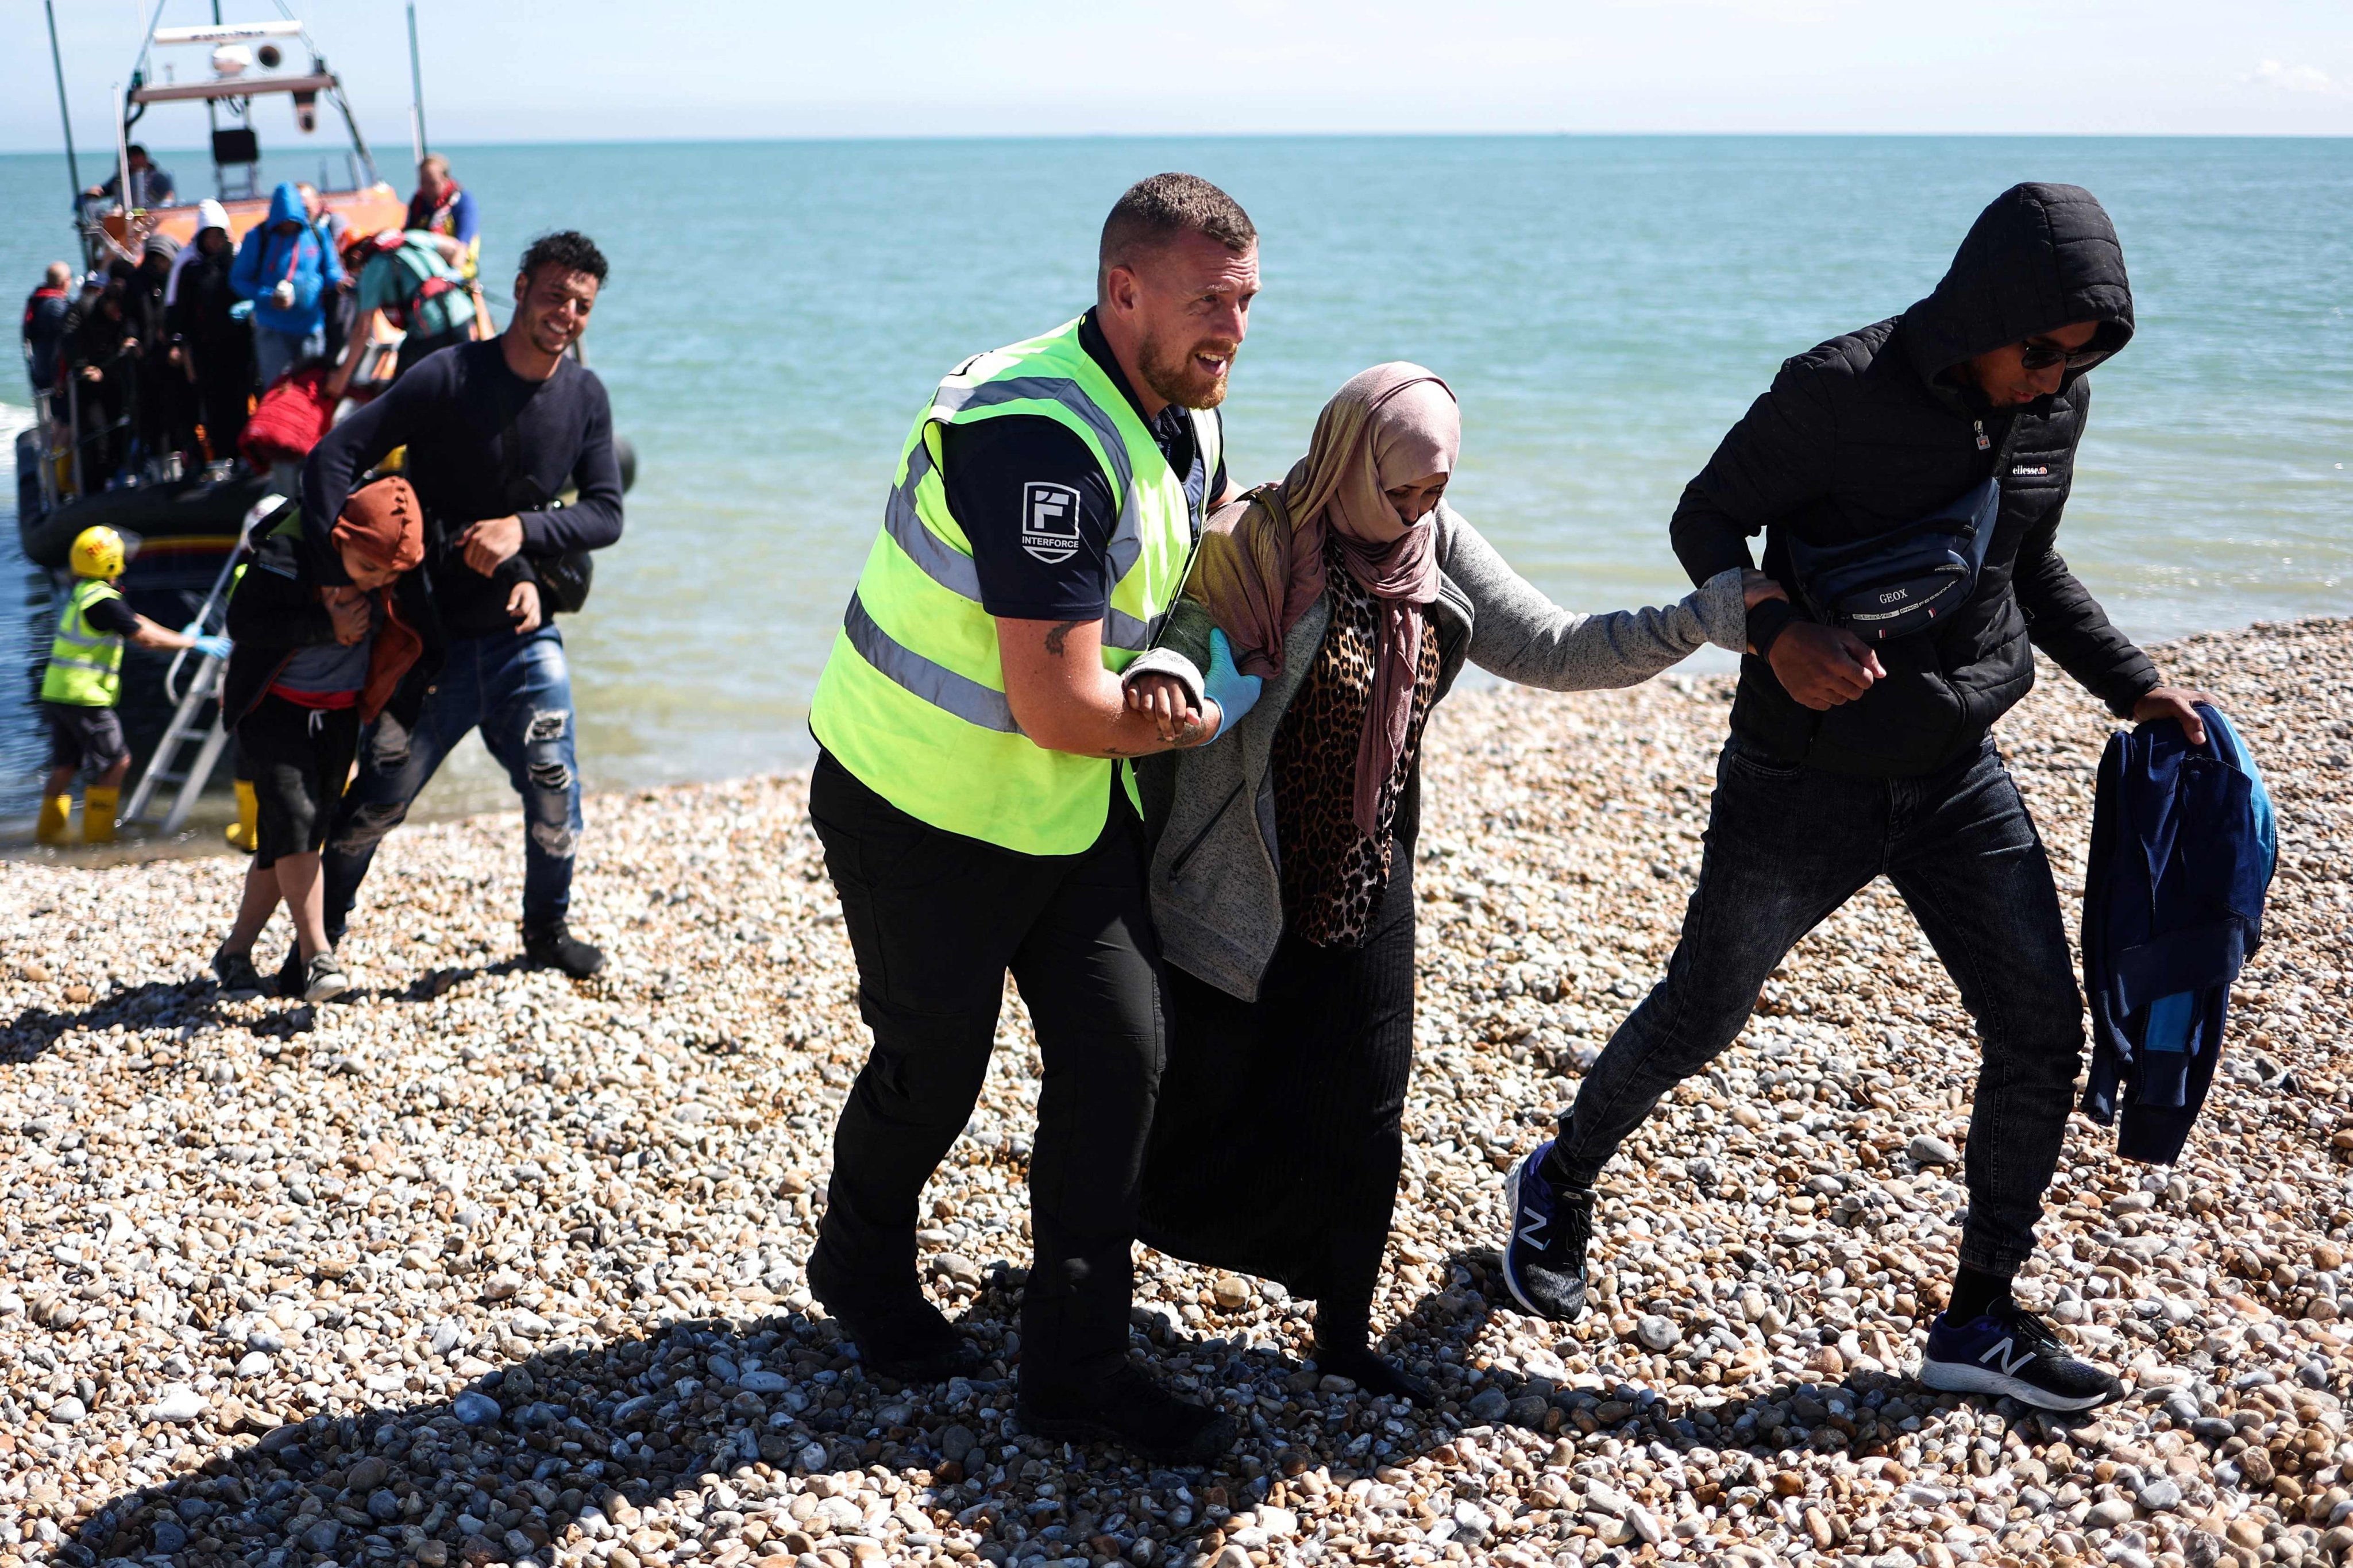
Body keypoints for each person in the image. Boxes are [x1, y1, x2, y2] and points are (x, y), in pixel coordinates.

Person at [1498, 183, 2215, 1413]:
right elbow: (1705, 517)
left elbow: (2023, 562)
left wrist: (2134, 686)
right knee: (1701, 1011)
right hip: (1799, 777)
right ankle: (1559, 1175)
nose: (2049, 382)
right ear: (1981, 311)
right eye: (2035, 350)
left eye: (2076, 360)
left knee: (2039, 1032)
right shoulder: (1834, 389)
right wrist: (1774, 629)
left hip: (1951, 773)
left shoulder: (2052, 407)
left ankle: (1978, 1318)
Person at [1125, 365, 1772, 1401]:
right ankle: (1091, 1274)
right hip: (1245, 877)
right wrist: (1171, 674)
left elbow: (1556, 647)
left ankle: (1342, 1335)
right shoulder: (1259, 538)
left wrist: (1695, 619)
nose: (1418, 513)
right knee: (1194, 1099)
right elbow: (1191, 634)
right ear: (1347, 458)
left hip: (1369, 876)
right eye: (1401, 492)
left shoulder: (1435, 548)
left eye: (1436, 490)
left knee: (1368, 1108)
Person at [800, 172, 1257, 1465]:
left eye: (1245, 302)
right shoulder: (1035, 433)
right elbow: (1058, 704)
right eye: (1206, 302)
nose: (1231, 328)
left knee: (1122, 1056)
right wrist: (1207, 718)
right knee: (931, 1069)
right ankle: (862, 1266)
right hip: (918, 807)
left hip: (1065, 809)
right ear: (1122, 291)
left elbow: (1195, 539)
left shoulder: (1177, 401)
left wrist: (1202, 629)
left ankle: (1076, 1372)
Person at [303, 231, 622, 986]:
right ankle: (319, 945)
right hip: (428, 643)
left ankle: (546, 931)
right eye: (554, 295)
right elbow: (333, 456)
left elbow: (606, 512)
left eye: (581, 304)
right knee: (375, 806)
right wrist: (333, 577)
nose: (566, 314)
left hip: (523, 634)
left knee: (555, 791)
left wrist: (525, 534)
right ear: (518, 290)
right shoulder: (446, 375)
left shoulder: (584, 396)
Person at [211, 480, 427, 1002]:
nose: (376, 581)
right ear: (341, 536)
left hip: (338, 717)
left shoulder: (387, 576)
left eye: (388, 575)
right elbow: (242, 621)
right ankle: (316, 957)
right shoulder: (287, 552)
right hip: (274, 710)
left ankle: (234, 954)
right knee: (298, 823)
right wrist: (324, 626)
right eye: (367, 568)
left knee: (285, 838)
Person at [36, 526, 226, 846]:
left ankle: (47, 837)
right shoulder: (105, 601)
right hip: (86, 696)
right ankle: (98, 839)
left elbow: (136, 621)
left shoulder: (87, 593)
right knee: (116, 762)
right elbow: (145, 638)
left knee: (65, 766)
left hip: (59, 692)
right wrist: (193, 643)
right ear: (110, 561)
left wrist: (183, 635)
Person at [326, 229, 479, 399]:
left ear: (355, 257)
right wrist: (452, 272)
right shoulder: (413, 237)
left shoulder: (373, 270)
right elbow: (456, 247)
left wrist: (341, 380)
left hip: (430, 333)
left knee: (398, 393)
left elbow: (362, 330)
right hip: (464, 317)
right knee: (467, 383)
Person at [167, 201, 256, 465]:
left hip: (239, 347)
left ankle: (244, 456)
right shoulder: (190, 270)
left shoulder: (238, 263)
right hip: (205, 350)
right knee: (214, 405)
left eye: (219, 234)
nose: (215, 241)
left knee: (240, 400)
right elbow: (179, 310)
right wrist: (179, 342)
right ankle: (221, 457)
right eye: (210, 235)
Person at [232, 181, 345, 389]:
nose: (288, 227)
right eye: (284, 222)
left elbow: (330, 270)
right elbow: (238, 280)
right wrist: (267, 297)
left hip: (311, 329)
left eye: (292, 222)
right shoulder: (258, 238)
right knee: (277, 391)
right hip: (273, 331)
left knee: (311, 390)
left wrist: (340, 281)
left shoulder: (317, 234)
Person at [404, 155, 481, 274]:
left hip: (458, 270)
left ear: (446, 179)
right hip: (424, 270)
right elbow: (408, 236)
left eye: (432, 183)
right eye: (423, 183)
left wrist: (450, 275)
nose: (426, 188)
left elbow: (463, 246)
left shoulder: (463, 202)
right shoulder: (418, 203)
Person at [21, 261, 71, 401]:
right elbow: (73, 326)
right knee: (62, 416)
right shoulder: (55, 307)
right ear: (64, 282)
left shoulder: (38, 301)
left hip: (41, 367)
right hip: (53, 373)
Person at [83, 144, 175, 210]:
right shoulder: (121, 178)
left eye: (138, 157)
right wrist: (96, 192)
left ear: (144, 158)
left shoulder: (157, 178)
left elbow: (168, 199)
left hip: (150, 220)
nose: (135, 162)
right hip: (122, 221)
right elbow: (105, 190)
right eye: (132, 158)